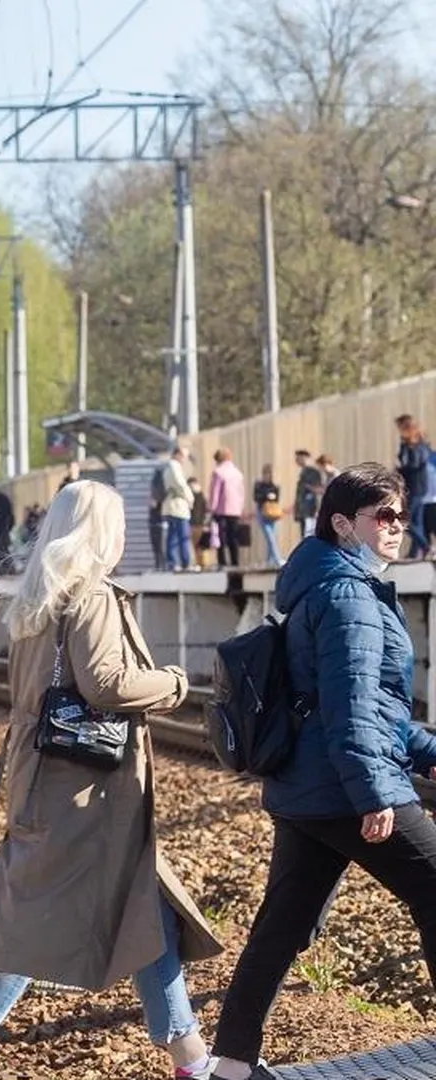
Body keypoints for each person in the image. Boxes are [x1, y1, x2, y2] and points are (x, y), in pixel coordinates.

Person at [0, 481, 222, 1080]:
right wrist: (173, 684)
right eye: (116, 525)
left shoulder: (36, 600)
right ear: (100, 532)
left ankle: (188, 1055)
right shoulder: (91, 596)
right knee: (35, 922)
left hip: (53, 787)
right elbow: (106, 684)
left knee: (145, 905)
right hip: (87, 795)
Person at [210, 464, 436, 1080]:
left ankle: (230, 1065)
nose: (397, 528)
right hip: (340, 787)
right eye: (383, 517)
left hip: (307, 786)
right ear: (343, 523)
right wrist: (373, 793)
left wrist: (428, 751)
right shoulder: (349, 595)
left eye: (402, 517)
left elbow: (368, 710)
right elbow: (352, 707)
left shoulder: (323, 586)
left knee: (282, 925)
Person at [397, 416, 433, 559]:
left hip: (416, 486)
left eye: (401, 428)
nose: (400, 431)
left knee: (404, 520)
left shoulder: (419, 445)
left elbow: (416, 465)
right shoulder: (406, 444)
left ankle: (426, 547)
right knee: (417, 521)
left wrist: (401, 470)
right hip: (412, 486)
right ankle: (415, 553)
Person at [209, 447, 246, 568]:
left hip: (221, 509)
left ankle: (222, 562)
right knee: (233, 536)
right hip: (235, 510)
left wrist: (212, 509)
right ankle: (235, 561)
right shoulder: (238, 473)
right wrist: (240, 508)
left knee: (221, 537)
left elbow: (215, 493)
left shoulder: (218, 472)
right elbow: (241, 492)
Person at [159, 449, 194, 571]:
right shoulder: (174, 466)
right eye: (183, 456)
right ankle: (185, 562)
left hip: (171, 506)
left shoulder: (168, 467)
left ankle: (172, 562)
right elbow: (181, 485)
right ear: (177, 455)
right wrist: (190, 498)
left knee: (172, 536)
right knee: (182, 535)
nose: (184, 459)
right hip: (178, 506)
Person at [253, 466, 284, 568]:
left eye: (268, 474)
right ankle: (278, 559)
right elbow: (256, 498)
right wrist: (266, 495)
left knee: (272, 536)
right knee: (270, 536)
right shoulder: (259, 485)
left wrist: (273, 496)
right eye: (265, 474)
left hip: (272, 513)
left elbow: (277, 499)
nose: (266, 476)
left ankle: (269, 561)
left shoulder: (274, 486)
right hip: (262, 512)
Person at [293, 449, 324, 547]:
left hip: (310, 509)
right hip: (303, 510)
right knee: (304, 535)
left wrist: (316, 509)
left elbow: (318, 490)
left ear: (305, 458)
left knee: (308, 535)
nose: (297, 460)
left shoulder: (312, 472)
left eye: (299, 458)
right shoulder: (303, 472)